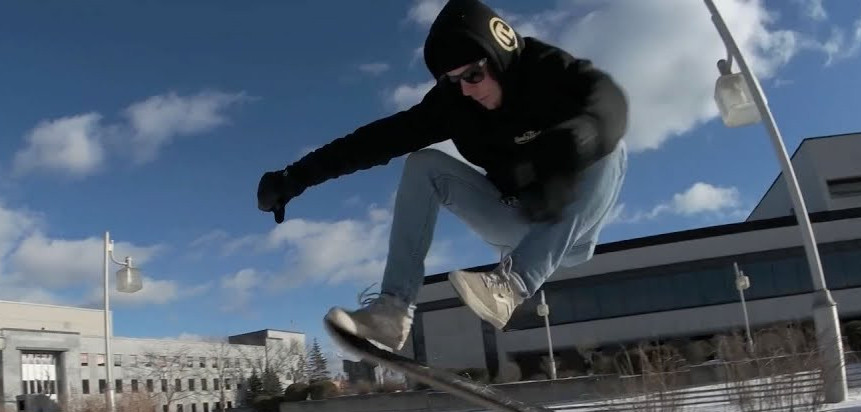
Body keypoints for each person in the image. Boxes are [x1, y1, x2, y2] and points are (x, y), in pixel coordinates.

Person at [256, 0, 629, 353]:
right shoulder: (455, 104)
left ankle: (511, 286)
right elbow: (376, 140)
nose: (467, 89)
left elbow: (608, 101)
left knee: (612, 147)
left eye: (474, 75)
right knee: (423, 164)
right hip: (515, 219)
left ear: (499, 59)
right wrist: (296, 177)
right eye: (454, 81)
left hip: (572, 228)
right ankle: (392, 310)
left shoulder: (547, 69)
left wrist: (573, 144)